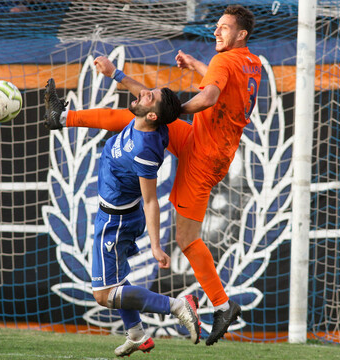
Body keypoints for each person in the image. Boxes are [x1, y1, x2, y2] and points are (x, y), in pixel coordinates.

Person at [44, 4, 260, 345]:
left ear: (241, 34)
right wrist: (191, 70)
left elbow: (211, 95)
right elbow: (223, 85)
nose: (216, 32)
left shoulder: (223, 62)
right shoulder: (251, 61)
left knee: (187, 239)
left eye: (223, 28)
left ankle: (221, 305)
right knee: (137, 118)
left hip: (202, 156)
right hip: (207, 143)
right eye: (217, 26)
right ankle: (62, 117)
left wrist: (171, 110)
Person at [45, 78, 200, 357]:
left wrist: (155, 245)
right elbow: (143, 96)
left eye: (148, 96)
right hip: (115, 215)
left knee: (103, 295)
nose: (142, 93)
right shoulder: (149, 119)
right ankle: (137, 335)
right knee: (116, 284)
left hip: (116, 222)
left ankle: (177, 306)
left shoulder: (144, 151)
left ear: (151, 114)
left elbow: (151, 201)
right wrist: (116, 73)